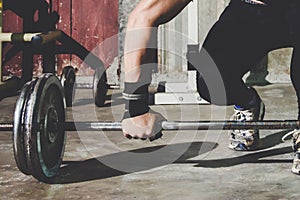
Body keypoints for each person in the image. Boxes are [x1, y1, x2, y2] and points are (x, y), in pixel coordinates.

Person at [121, 0, 300, 174]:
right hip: (253, 10)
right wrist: (135, 108)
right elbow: (144, 15)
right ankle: (248, 102)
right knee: (211, 82)